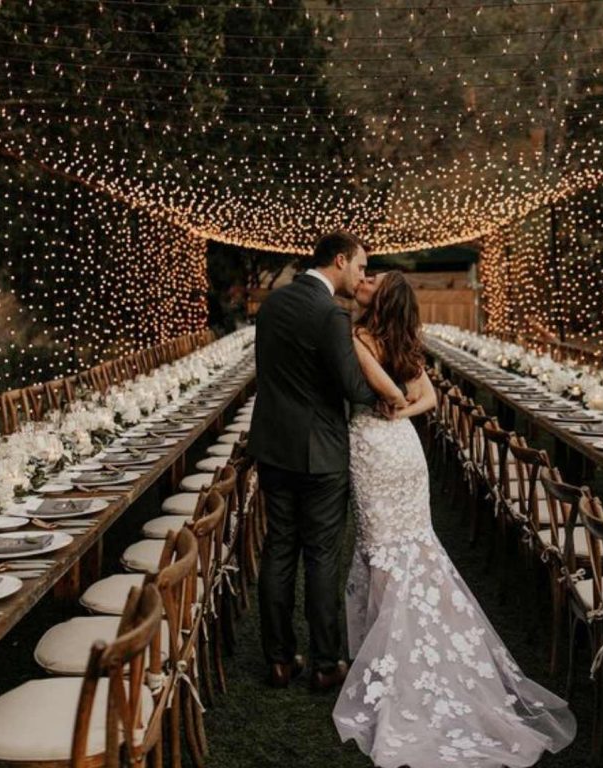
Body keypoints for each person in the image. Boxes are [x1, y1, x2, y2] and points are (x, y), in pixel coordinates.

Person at [333, 271, 577, 767]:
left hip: (378, 448)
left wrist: (394, 405)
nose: (368, 278)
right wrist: (404, 413)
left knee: (382, 548)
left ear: (381, 300)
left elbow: (397, 394)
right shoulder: (405, 341)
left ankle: (388, 660)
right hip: (402, 448)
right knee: (406, 546)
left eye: (374, 280)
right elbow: (429, 400)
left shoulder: (360, 337)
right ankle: (385, 649)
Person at [247, 232, 408, 690]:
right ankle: (325, 663)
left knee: (279, 550)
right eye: (360, 266)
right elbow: (353, 390)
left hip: (273, 446)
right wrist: (381, 383)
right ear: (339, 260)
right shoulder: (330, 316)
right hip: (321, 453)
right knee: (321, 556)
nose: (361, 275)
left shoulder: (273, 305)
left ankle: (278, 660)